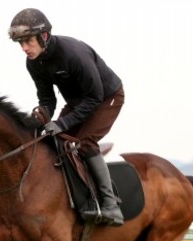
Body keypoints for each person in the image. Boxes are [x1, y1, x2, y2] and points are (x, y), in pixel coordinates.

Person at [8, 8, 125, 226]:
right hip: (79, 102)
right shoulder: (33, 62)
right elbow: (47, 99)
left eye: (28, 41)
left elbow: (94, 97)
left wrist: (62, 123)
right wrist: (41, 118)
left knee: (84, 143)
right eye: (20, 43)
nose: (24, 48)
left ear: (43, 36)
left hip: (106, 98)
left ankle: (111, 205)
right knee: (51, 141)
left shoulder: (72, 54)